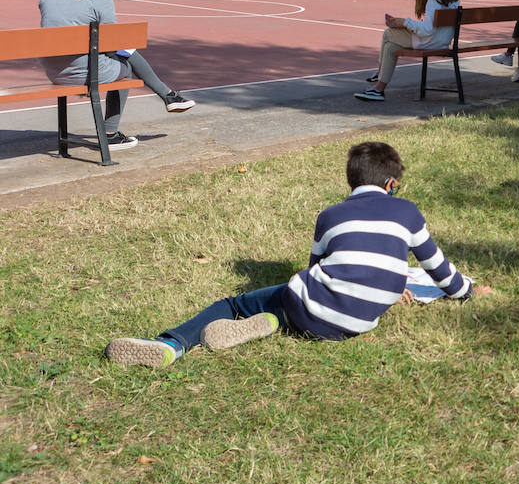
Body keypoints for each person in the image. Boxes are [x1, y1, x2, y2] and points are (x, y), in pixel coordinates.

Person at [104, 141, 491, 368]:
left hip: (312, 307)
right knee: (296, 307)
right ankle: (273, 322)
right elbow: (439, 269)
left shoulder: (330, 216)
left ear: (351, 180)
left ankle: (170, 346)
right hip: (355, 326)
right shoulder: (408, 212)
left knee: (233, 302)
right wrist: (467, 291)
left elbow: (314, 270)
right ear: (392, 184)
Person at [38, 0, 195, 151]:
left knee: (122, 50)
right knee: (125, 62)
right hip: (84, 72)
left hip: (55, 72)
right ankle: (112, 132)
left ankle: (169, 96)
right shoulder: (101, 0)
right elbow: (112, 44)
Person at [355, 0, 460, 101]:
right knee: (391, 47)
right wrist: (405, 25)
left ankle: (379, 72)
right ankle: (378, 90)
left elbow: (427, 30)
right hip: (442, 41)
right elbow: (432, 26)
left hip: (430, 42)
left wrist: (404, 22)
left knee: (388, 33)